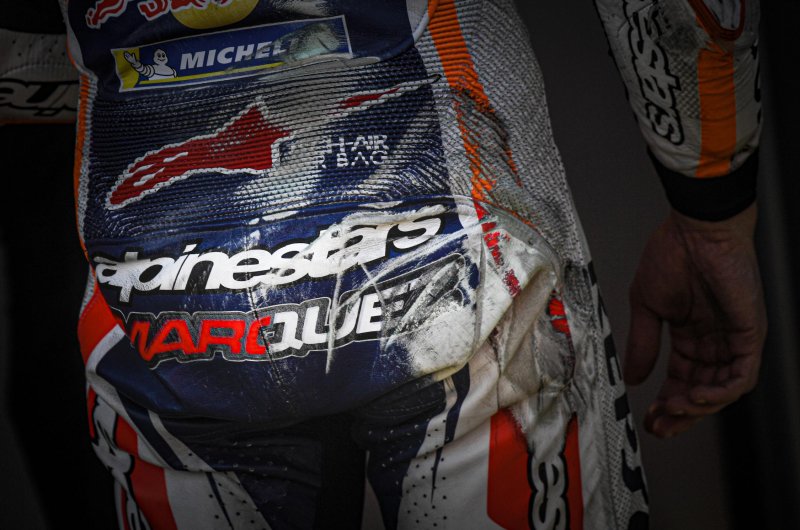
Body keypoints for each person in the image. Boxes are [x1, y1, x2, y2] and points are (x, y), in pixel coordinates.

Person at [0, 0, 764, 528]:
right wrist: (712, 212)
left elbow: (18, 56)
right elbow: (689, 14)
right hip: (459, 252)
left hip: (163, 288)